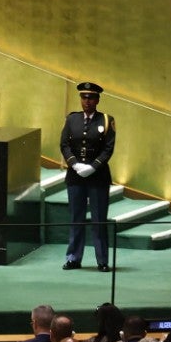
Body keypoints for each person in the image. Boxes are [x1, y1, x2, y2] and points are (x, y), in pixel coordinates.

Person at [60, 81, 116, 271]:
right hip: (75, 176)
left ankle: (102, 260)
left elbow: (108, 148)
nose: (87, 101)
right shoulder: (72, 119)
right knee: (76, 218)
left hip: (98, 177)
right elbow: (64, 144)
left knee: (99, 219)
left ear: (97, 100)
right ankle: (73, 258)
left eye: (91, 97)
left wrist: (93, 167)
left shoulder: (106, 120)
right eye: (84, 97)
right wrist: (74, 164)